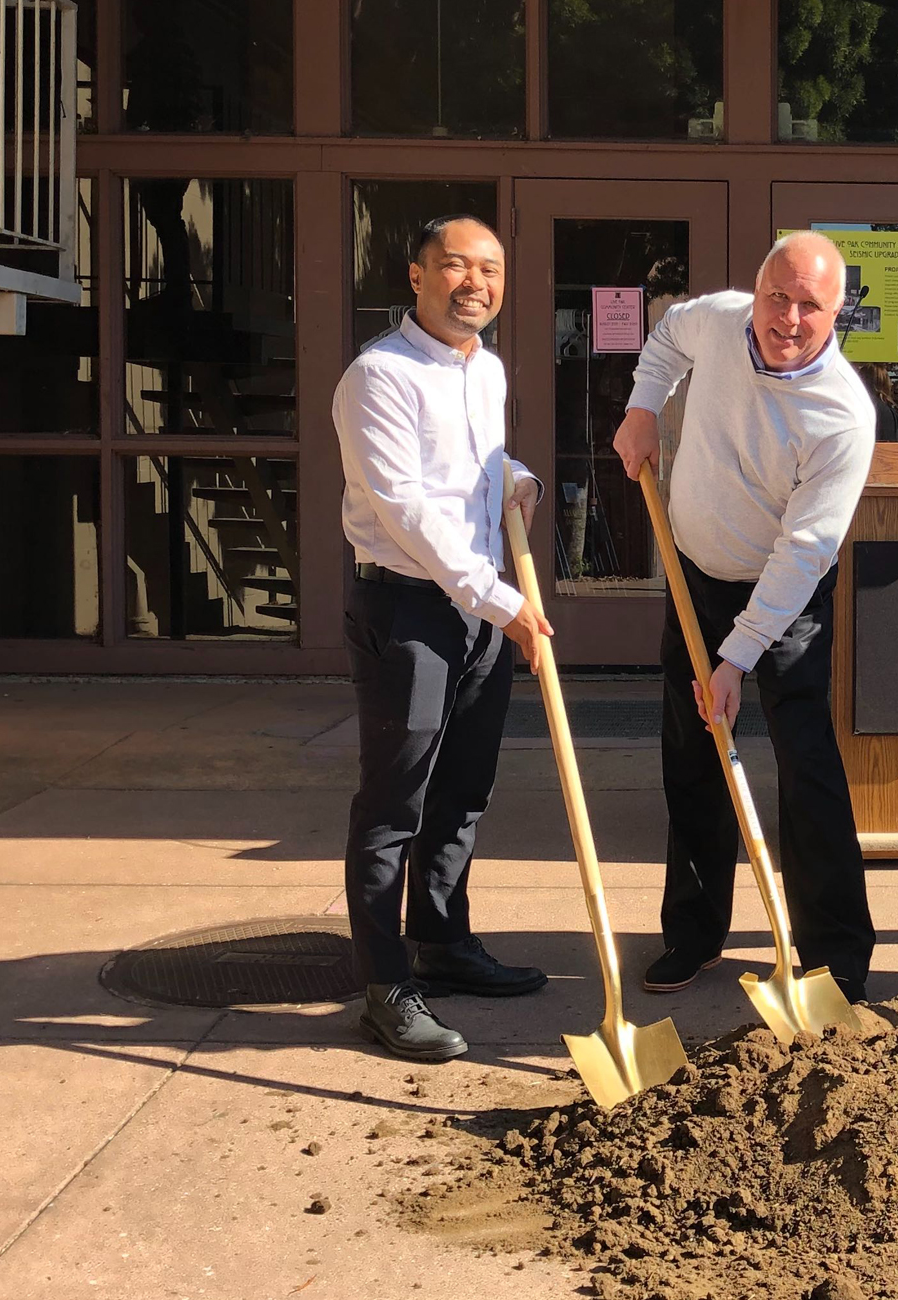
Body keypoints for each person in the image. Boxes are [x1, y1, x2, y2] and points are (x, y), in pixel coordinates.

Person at [611, 231, 878, 1004]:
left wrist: (737, 657)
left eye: (810, 306)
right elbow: (664, 341)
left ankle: (835, 951)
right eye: (777, 296)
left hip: (782, 595)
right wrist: (641, 408)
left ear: (837, 314)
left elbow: (805, 551)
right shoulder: (721, 320)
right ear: (755, 290)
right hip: (695, 571)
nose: (788, 318)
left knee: (806, 762)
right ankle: (692, 935)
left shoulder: (843, 417)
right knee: (690, 754)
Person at [333, 214, 553, 1063]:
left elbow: (478, 468)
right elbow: (409, 511)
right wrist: (500, 600)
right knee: (394, 804)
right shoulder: (376, 377)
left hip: (479, 609)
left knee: (461, 792)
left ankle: (443, 941)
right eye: (456, 266)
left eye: (491, 269)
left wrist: (519, 478)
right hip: (409, 612)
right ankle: (386, 988)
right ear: (416, 275)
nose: (476, 283)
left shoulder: (485, 368)